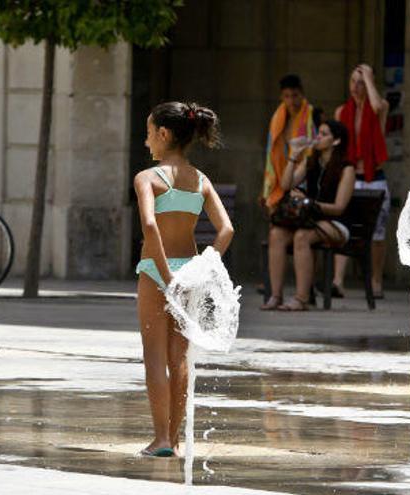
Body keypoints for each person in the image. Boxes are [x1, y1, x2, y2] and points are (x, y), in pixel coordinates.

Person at [134, 102, 234, 457]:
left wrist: (166, 276)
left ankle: (160, 439)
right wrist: (204, 268)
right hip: (189, 274)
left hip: (155, 270)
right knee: (179, 359)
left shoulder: (147, 178)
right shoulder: (201, 181)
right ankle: (174, 441)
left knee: (153, 355)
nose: (147, 143)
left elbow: (149, 226)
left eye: (148, 134)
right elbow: (226, 230)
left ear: (163, 134)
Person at [262, 120, 356, 311]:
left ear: (336, 141)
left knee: (302, 236)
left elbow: (339, 208)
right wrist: (293, 157)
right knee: (277, 234)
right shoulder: (311, 161)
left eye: (323, 134)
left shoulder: (347, 169)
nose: (317, 138)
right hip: (309, 220)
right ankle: (275, 295)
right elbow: (287, 185)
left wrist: (310, 203)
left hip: (337, 224)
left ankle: (301, 299)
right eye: (318, 133)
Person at [332, 63, 390, 299]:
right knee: (342, 228)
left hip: (374, 178)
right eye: (354, 82)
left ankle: (376, 280)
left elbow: (376, 106)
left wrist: (368, 76)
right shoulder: (340, 112)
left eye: (362, 82)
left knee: (376, 234)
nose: (357, 87)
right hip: (350, 178)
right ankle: (337, 280)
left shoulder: (381, 107)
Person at [262, 74, 317, 213]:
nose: (291, 101)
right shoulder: (277, 119)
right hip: (279, 179)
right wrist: (265, 190)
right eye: (286, 96)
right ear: (281, 96)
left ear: (302, 94)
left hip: (303, 181)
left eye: (295, 95)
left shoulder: (312, 115)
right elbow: (270, 155)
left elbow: (315, 151)